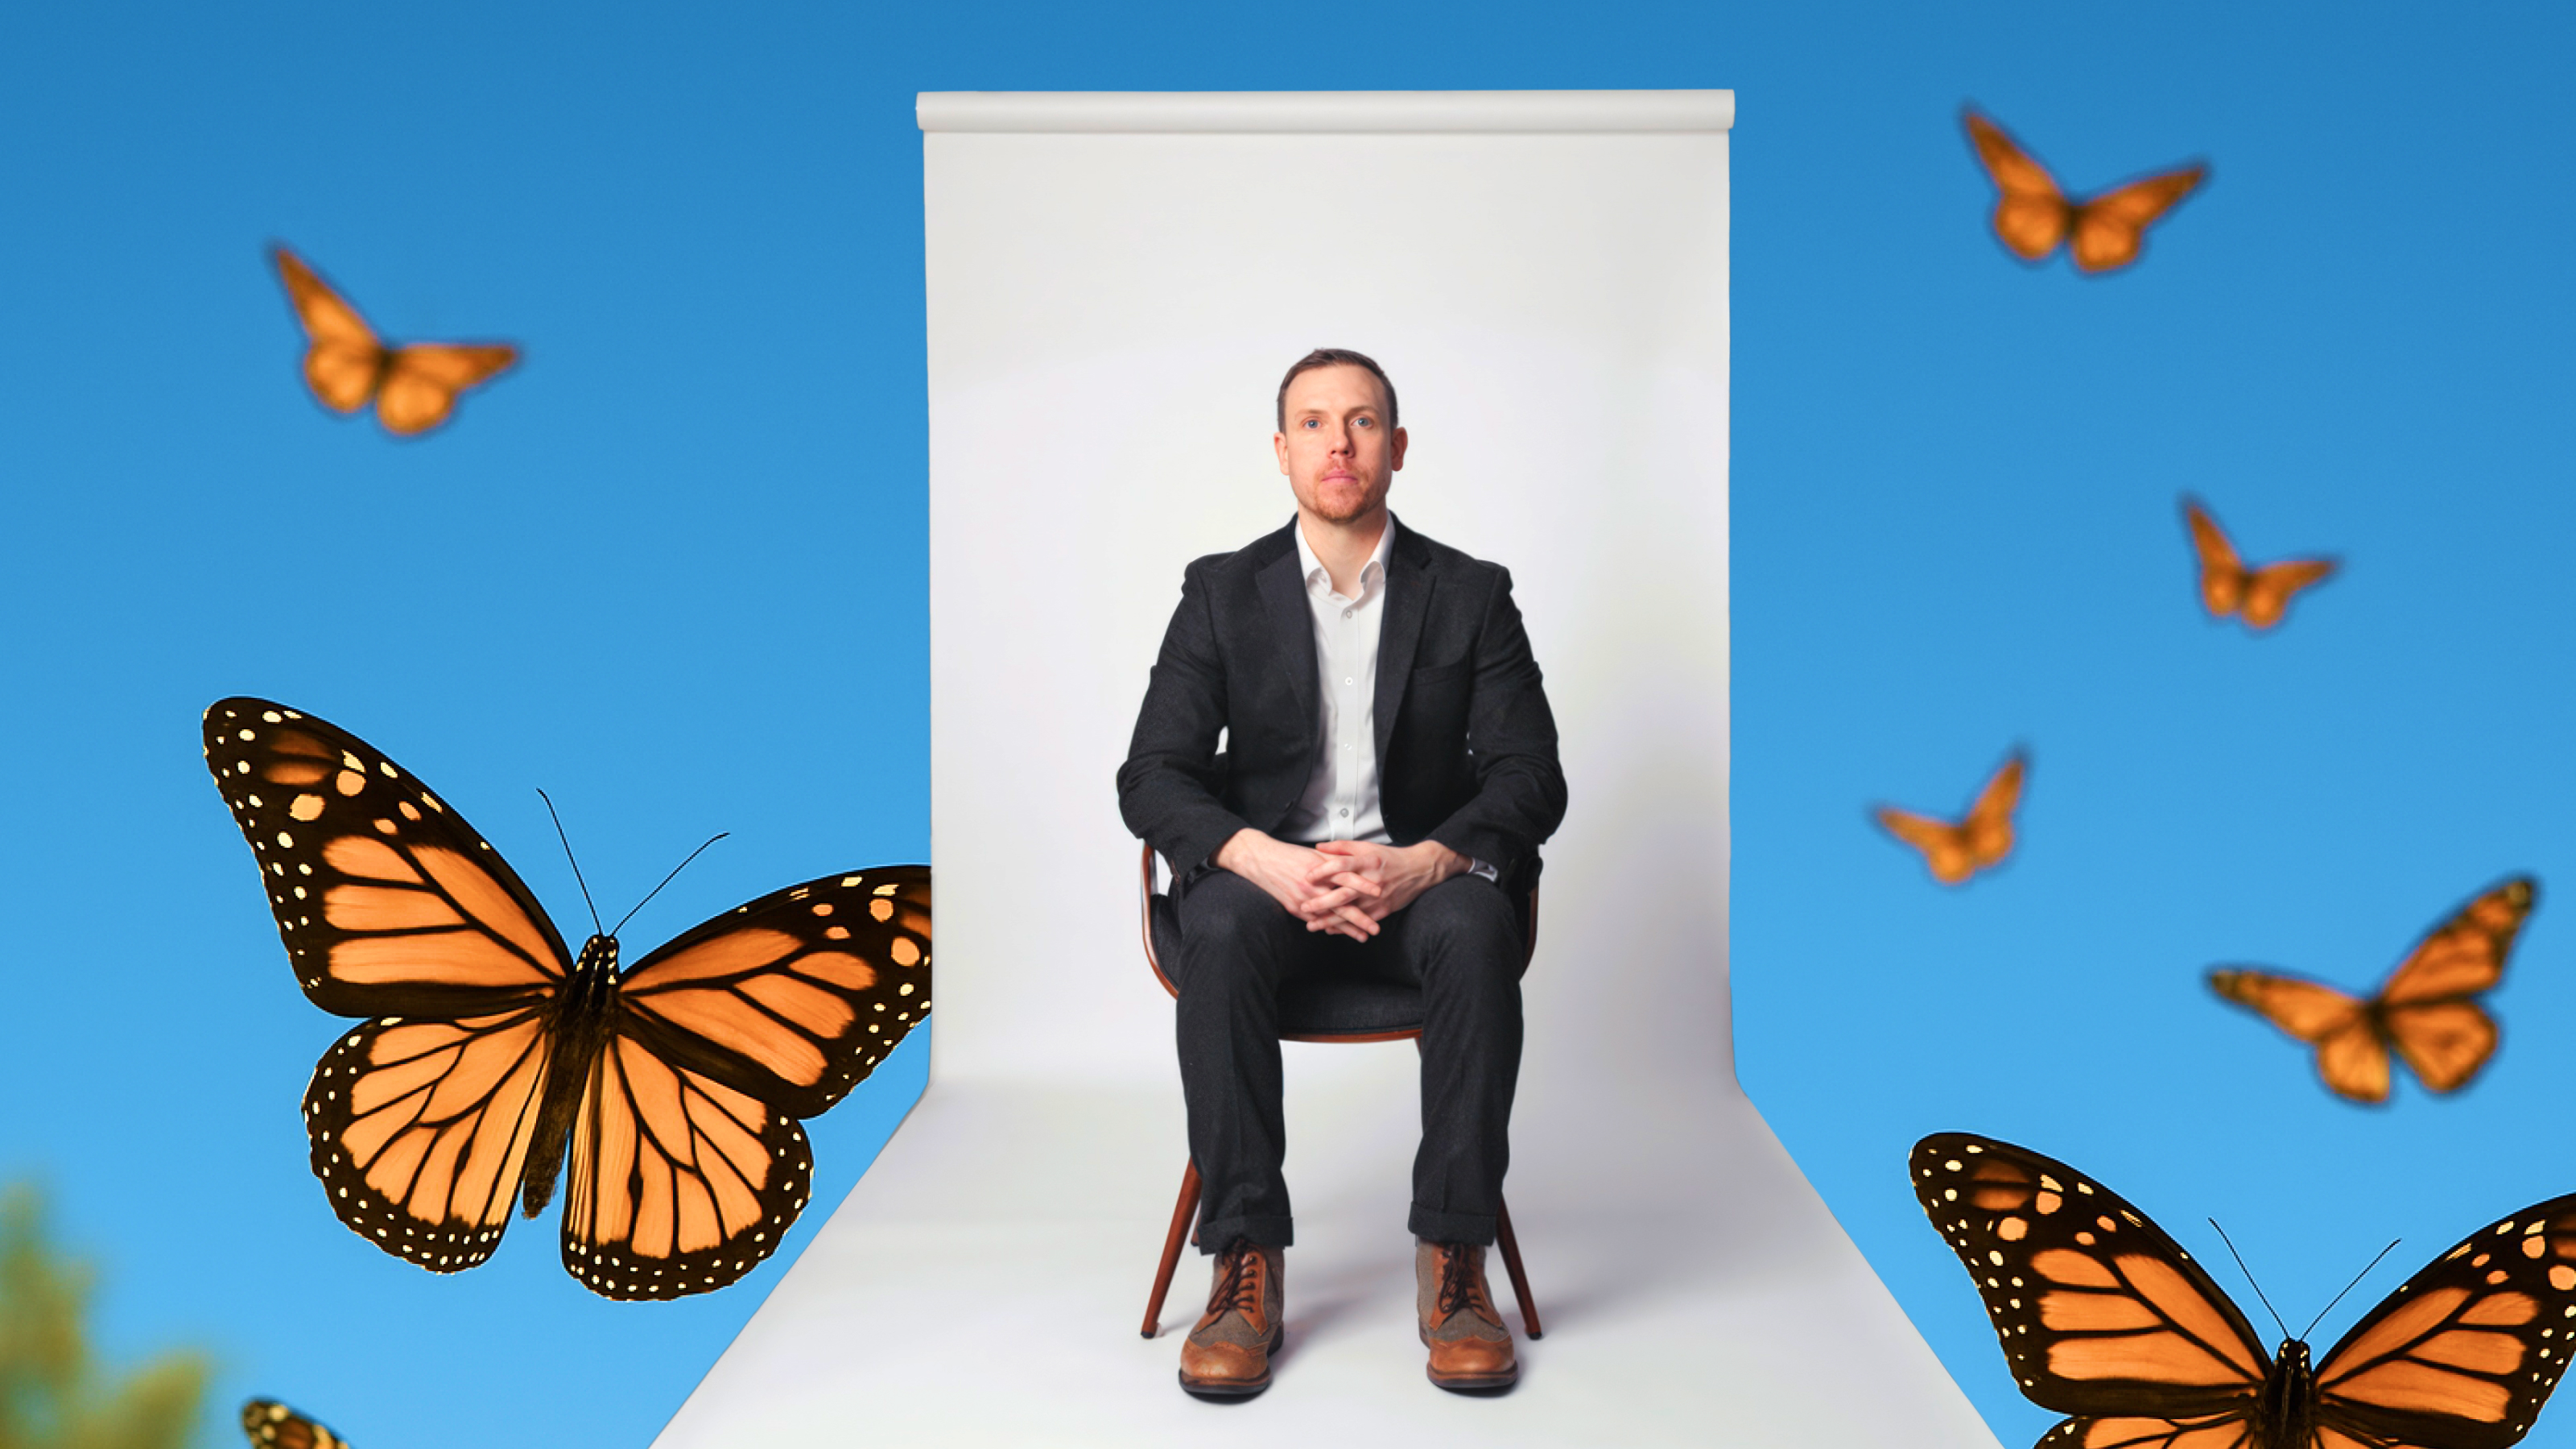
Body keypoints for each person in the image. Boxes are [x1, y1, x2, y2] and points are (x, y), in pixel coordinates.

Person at [1117, 348, 1567, 1395]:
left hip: (1416, 882)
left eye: (1361, 422)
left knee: (1475, 928)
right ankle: (1244, 1261)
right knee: (1219, 927)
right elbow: (1154, 774)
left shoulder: (1470, 594)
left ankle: (1454, 1259)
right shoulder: (1222, 592)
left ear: (1396, 448)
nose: (1339, 444)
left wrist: (1427, 863)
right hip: (1269, 884)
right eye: (1314, 423)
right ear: (1281, 452)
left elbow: (1529, 775)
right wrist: (1258, 857)